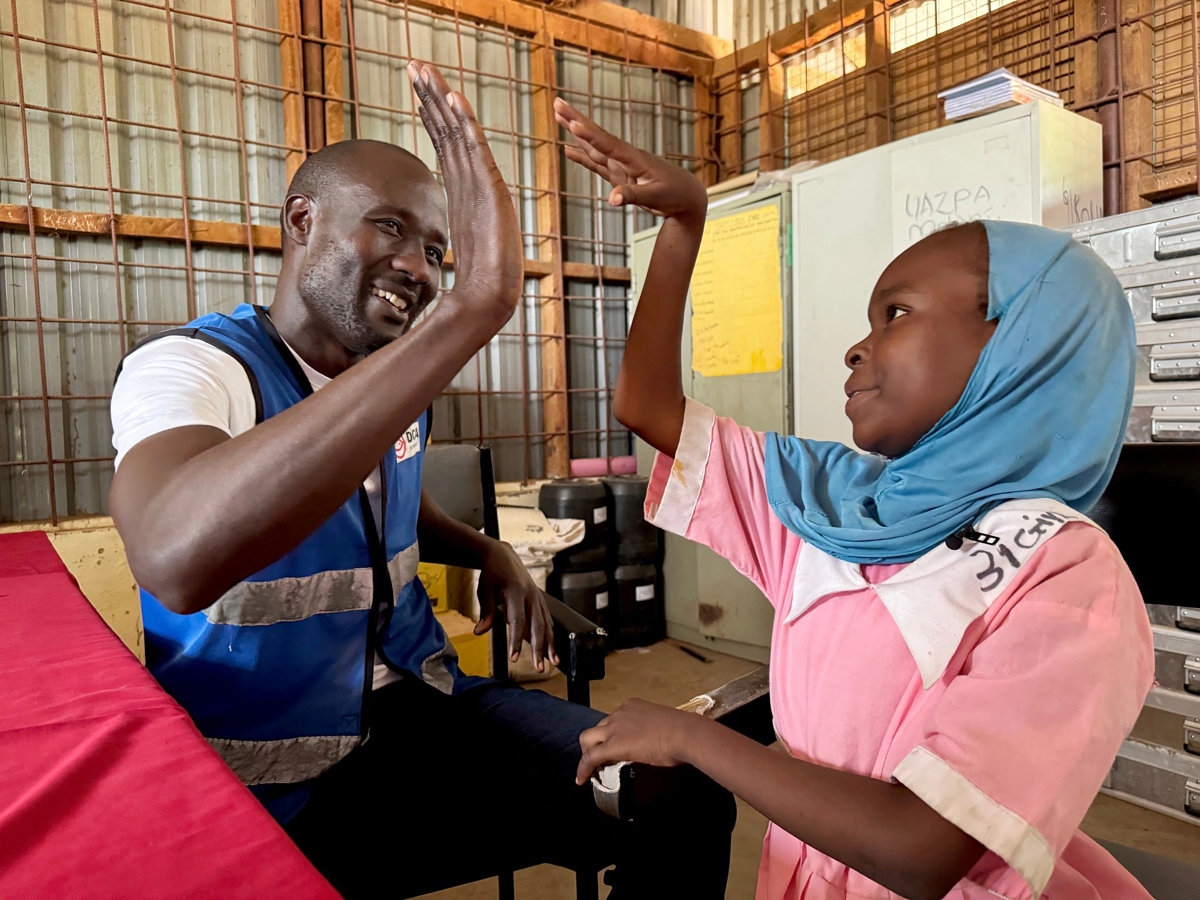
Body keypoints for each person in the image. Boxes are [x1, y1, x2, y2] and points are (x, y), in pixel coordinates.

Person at [108, 63, 733, 899]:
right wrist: (473, 310)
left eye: (437, 250)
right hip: (266, 778)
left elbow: (385, 506)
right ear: (302, 221)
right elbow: (171, 555)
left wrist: (486, 550)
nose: (419, 266)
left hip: (422, 715)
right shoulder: (191, 369)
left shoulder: (391, 379)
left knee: (680, 791)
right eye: (389, 228)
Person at [554, 96, 1156, 900]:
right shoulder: (830, 502)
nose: (856, 345)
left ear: (1015, 343)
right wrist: (685, 227)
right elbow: (648, 408)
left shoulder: (1066, 573)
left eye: (896, 314)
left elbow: (919, 848)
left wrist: (694, 739)